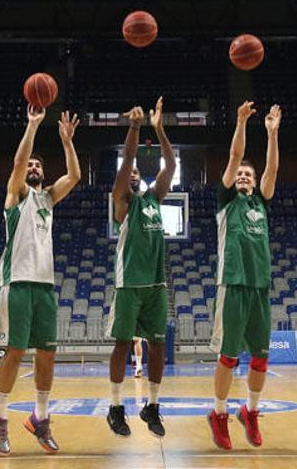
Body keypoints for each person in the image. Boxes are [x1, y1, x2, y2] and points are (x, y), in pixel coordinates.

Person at [0, 107, 80, 456]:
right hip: (17, 281)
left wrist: (67, 141)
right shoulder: (16, 195)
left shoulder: (48, 199)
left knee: (48, 353)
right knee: (15, 352)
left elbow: (73, 175)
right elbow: (17, 164)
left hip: (43, 283)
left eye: (38, 165)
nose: (33, 167)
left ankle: (40, 418)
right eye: (30, 166)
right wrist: (33, 124)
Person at [207, 102, 281, 450]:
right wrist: (240, 122)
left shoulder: (261, 203)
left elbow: (272, 170)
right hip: (233, 284)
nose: (244, 176)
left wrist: (272, 133)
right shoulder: (226, 201)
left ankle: (250, 411)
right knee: (228, 357)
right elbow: (236, 156)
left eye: (248, 174)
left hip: (259, 286)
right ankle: (219, 413)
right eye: (240, 174)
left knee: (261, 357)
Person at [105, 98, 176, 438]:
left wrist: (159, 128)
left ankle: (152, 406)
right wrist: (134, 127)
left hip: (156, 284)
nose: (132, 173)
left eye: (135, 173)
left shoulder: (153, 198)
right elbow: (128, 161)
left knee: (158, 346)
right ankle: (116, 407)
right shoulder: (122, 199)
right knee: (122, 345)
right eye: (128, 171)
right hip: (129, 283)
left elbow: (172, 166)